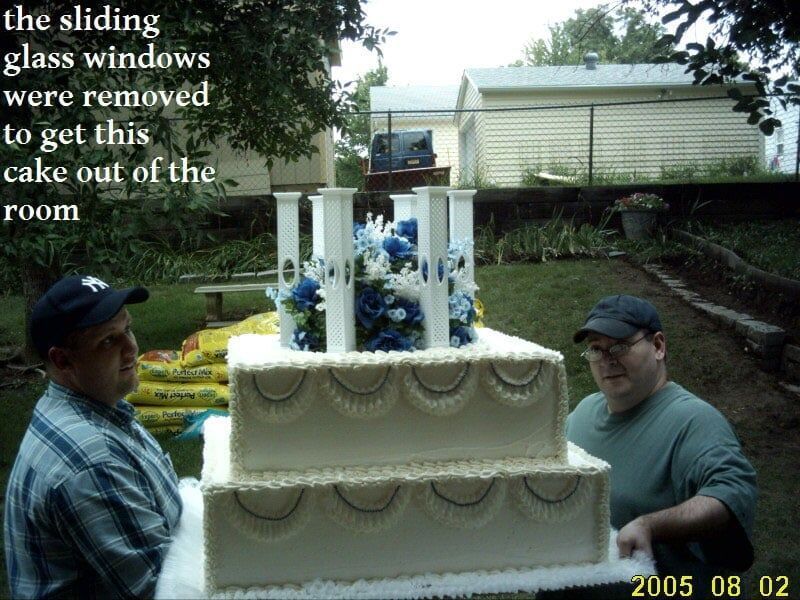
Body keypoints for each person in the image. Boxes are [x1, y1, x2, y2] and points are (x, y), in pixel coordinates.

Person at [566, 294, 757, 598]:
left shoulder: (692, 420)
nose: (607, 359)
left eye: (620, 346)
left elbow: (733, 491)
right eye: (596, 349)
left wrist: (650, 525)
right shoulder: (584, 413)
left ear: (657, 346)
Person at [4, 275, 183, 598]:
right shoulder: (92, 461)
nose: (131, 348)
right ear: (63, 360)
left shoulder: (97, 409)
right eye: (108, 341)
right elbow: (168, 591)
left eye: (127, 329)